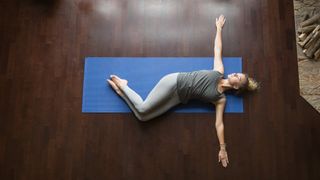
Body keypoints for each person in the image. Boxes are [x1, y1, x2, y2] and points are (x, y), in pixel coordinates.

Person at [107, 15, 260, 168]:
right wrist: (219, 29)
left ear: (235, 87)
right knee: (142, 108)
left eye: (237, 78)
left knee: (143, 117)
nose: (234, 74)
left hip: (178, 99)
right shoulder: (219, 71)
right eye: (237, 73)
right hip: (174, 82)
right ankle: (123, 85)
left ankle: (122, 93)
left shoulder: (220, 99)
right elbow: (217, 49)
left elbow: (219, 124)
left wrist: (223, 148)